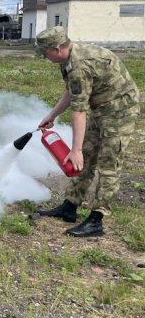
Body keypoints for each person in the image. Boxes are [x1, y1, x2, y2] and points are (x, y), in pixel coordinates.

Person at [34, 26, 140, 237]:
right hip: (102, 109)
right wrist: (52, 115)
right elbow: (72, 91)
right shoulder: (69, 59)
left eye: (45, 53)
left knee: (108, 165)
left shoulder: (79, 65)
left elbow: (79, 110)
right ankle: (70, 206)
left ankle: (96, 220)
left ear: (56, 48)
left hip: (120, 112)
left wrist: (76, 149)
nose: (45, 57)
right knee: (86, 158)